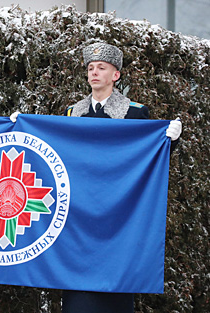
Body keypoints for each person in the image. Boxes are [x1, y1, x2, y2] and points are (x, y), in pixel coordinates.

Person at [61, 42, 181, 312]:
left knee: (115, 279)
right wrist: (21, 127)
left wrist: (170, 140)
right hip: (79, 208)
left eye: (101, 68)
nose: (94, 73)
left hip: (119, 206)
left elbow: (149, 156)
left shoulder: (135, 112)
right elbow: (56, 151)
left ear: (116, 75)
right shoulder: (73, 112)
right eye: (90, 68)